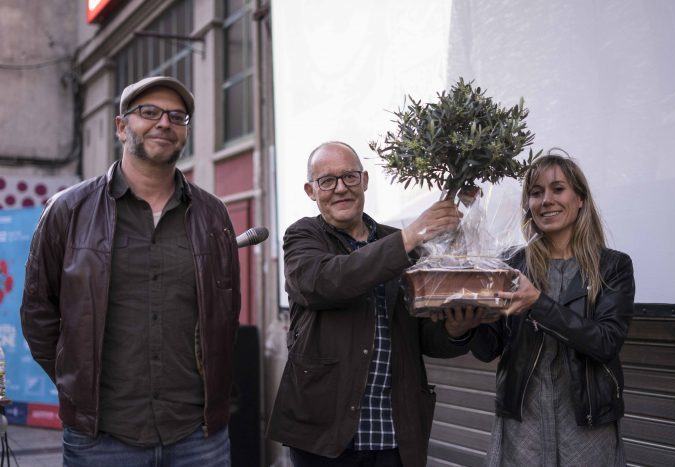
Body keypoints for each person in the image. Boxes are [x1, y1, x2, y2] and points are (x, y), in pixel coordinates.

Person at [21, 76, 240, 466]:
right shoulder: (68, 211)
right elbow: (39, 314)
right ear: (122, 127)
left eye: (177, 116)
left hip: (197, 436)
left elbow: (224, 313)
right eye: (149, 112)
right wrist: (77, 384)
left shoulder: (212, 214)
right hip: (101, 438)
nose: (164, 123)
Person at [267, 141, 486, 467]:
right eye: (327, 181)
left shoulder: (397, 242)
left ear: (365, 180)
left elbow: (421, 338)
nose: (340, 188)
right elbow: (327, 281)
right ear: (311, 191)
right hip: (324, 436)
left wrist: (454, 330)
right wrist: (411, 236)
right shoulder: (303, 237)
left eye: (350, 177)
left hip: (393, 436)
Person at [468, 153, 635, 466]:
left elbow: (606, 341)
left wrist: (538, 304)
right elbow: (488, 349)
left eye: (558, 189)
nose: (546, 200)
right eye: (535, 192)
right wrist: (467, 321)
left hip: (586, 428)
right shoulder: (510, 264)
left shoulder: (613, 266)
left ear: (580, 199)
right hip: (523, 425)